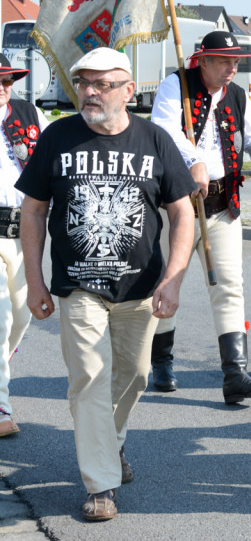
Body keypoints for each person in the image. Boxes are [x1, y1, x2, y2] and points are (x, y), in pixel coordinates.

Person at [17, 47, 195, 521]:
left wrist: (174, 280)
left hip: (141, 290)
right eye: (83, 84)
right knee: (90, 378)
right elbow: (33, 211)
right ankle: (101, 483)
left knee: (134, 377)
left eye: (102, 84)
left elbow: (183, 213)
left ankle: (109, 444)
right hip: (78, 287)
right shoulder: (58, 138)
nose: (90, 92)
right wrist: (36, 281)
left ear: (128, 90)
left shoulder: (154, 140)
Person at [150, 30, 251, 404]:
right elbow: (163, 129)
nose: (232, 69)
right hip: (178, 205)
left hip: (221, 204)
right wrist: (194, 160)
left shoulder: (237, 95)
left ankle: (235, 374)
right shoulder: (176, 86)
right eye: (224, 61)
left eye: (235, 62)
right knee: (167, 280)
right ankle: (161, 362)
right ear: (202, 61)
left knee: (228, 285)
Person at [0, 55, 48, 439]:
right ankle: (0, 406)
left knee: (20, 317)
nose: (5, 86)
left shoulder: (28, 113)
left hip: (23, 233)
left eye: (9, 79)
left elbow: (51, 156)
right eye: (0, 79)